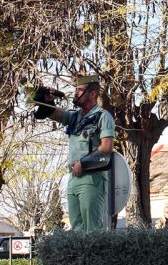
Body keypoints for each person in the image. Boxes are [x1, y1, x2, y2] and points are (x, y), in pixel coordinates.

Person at [40, 74, 115, 232]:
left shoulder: (103, 116)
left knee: (92, 229)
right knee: (77, 229)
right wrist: (47, 100)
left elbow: (107, 147)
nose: (75, 93)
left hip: (91, 177)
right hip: (73, 177)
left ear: (92, 94)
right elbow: (54, 113)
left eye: (80, 89)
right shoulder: (75, 117)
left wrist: (83, 163)